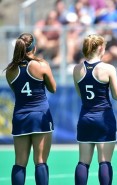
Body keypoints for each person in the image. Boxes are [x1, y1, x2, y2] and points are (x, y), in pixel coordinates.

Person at [4, 33, 56, 185]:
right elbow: (53, 88)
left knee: (20, 162)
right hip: (40, 115)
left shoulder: (10, 71)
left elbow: (17, 91)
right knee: (40, 161)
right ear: (34, 48)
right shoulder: (41, 65)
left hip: (20, 116)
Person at [73, 34, 117, 185]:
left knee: (83, 162)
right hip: (104, 117)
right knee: (104, 161)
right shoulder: (108, 68)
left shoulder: (77, 69)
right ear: (100, 48)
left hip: (85, 117)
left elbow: (80, 94)